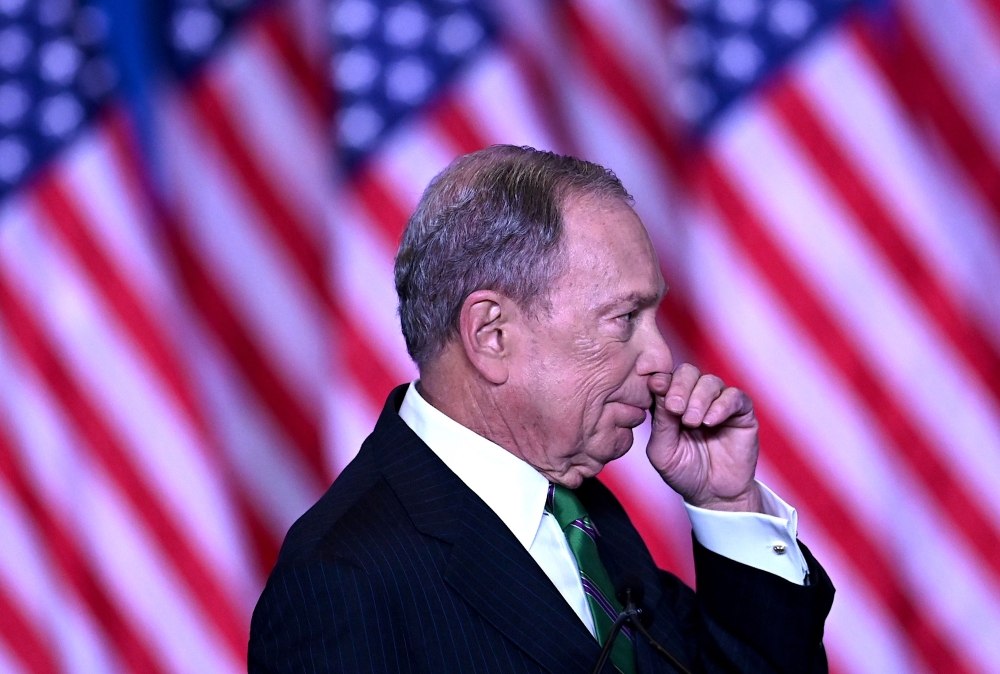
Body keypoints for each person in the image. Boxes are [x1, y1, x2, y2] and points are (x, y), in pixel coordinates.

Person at [247, 146, 834, 674]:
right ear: (492, 335)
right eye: (626, 318)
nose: (660, 359)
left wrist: (728, 506)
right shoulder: (342, 578)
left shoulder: (587, 518)